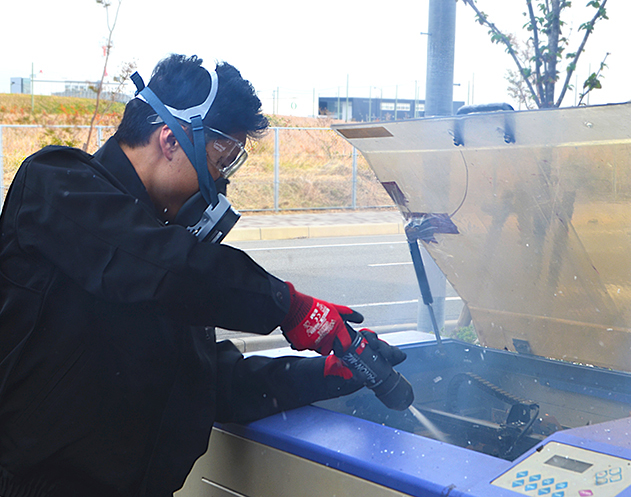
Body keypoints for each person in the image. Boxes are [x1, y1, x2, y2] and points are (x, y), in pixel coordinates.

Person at [0, 54, 405, 497]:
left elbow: (207, 382)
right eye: (221, 158)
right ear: (171, 139)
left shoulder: (167, 256)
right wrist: (290, 307)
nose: (221, 182)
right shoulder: (56, 186)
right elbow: (163, 266)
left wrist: (329, 373)